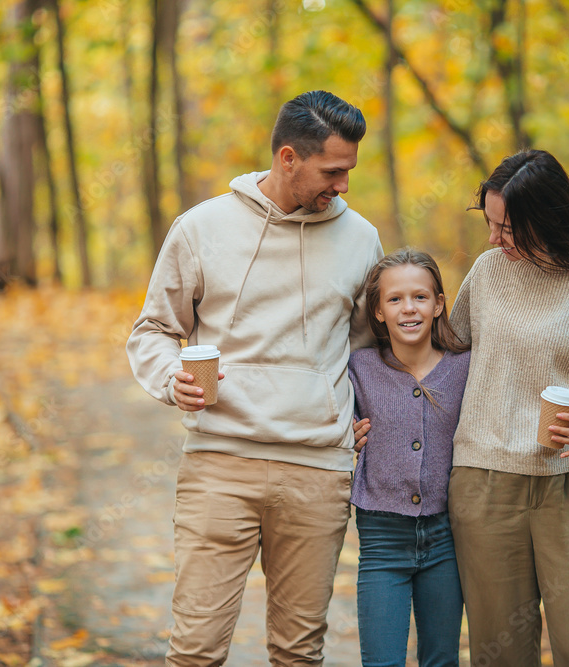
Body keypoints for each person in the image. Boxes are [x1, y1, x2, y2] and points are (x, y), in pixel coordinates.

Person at [126, 90, 384, 667]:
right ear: (289, 158)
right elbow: (153, 330)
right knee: (195, 650)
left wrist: (369, 418)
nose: (343, 185)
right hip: (219, 464)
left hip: (318, 471)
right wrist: (172, 377)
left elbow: (368, 348)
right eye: (333, 171)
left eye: (349, 171)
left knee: (298, 653)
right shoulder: (200, 228)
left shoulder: (362, 239)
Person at [446, 149, 569, 666]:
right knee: (499, 653)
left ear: (547, 220)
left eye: (508, 228)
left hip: (567, 483)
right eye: (490, 224)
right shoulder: (489, 271)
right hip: (484, 483)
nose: (494, 239)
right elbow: (447, 356)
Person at [348, 249, 470, 667]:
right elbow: (323, 411)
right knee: (381, 661)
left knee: (441, 659)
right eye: (395, 299)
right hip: (382, 537)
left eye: (420, 297)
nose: (408, 308)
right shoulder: (359, 368)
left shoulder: (465, 367)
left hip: (447, 537)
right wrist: (343, 432)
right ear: (378, 312)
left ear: (438, 304)